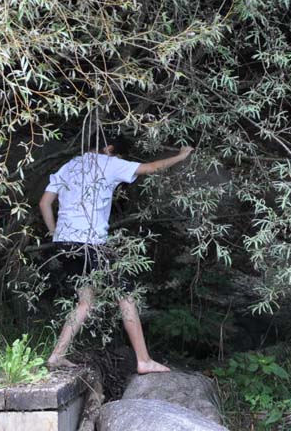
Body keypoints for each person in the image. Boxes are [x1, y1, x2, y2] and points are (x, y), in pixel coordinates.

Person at [40, 135, 193, 374]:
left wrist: (55, 234)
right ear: (110, 149)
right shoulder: (108, 162)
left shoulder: (70, 165)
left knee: (85, 301)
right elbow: (151, 167)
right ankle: (143, 360)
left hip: (65, 242)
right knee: (126, 297)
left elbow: (45, 203)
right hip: (91, 243)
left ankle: (56, 356)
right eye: (119, 156)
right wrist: (181, 156)